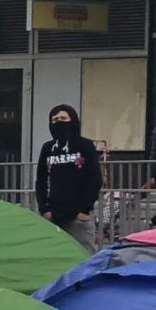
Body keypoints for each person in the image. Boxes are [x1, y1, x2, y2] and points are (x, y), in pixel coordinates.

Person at [35, 103, 102, 245]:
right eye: (55, 120)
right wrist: (44, 209)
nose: (59, 123)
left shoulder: (85, 145)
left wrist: (84, 210)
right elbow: (40, 180)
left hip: (79, 216)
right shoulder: (47, 148)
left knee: (83, 255)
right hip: (54, 215)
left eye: (63, 119)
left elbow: (95, 178)